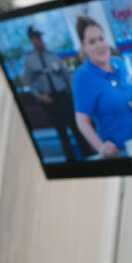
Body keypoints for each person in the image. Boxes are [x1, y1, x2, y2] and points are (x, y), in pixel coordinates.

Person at [71, 15, 132, 159]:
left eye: (101, 39)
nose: (100, 45)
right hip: (120, 153)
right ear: (84, 46)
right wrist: (100, 147)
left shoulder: (119, 63)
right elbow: (82, 121)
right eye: (92, 42)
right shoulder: (83, 75)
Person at [23, 25, 93, 161]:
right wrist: (40, 96)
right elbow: (29, 83)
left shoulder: (52, 56)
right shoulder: (29, 60)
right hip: (49, 100)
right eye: (37, 38)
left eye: (41, 37)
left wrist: (71, 93)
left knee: (76, 128)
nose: (40, 41)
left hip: (63, 97)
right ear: (32, 40)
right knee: (61, 133)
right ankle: (71, 161)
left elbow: (66, 76)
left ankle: (87, 156)